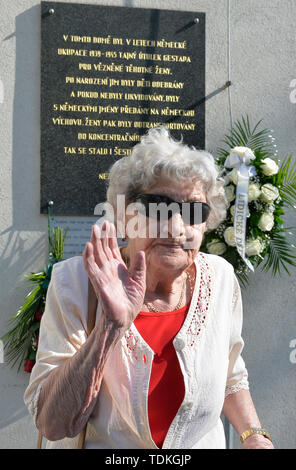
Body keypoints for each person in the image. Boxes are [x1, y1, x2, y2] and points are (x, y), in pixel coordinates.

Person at [24, 126, 274, 449]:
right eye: (158, 206)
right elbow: (52, 423)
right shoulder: (74, 283)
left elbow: (230, 373)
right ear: (125, 217)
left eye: (194, 211)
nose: (176, 227)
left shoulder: (221, 279)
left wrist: (253, 436)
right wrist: (108, 329)